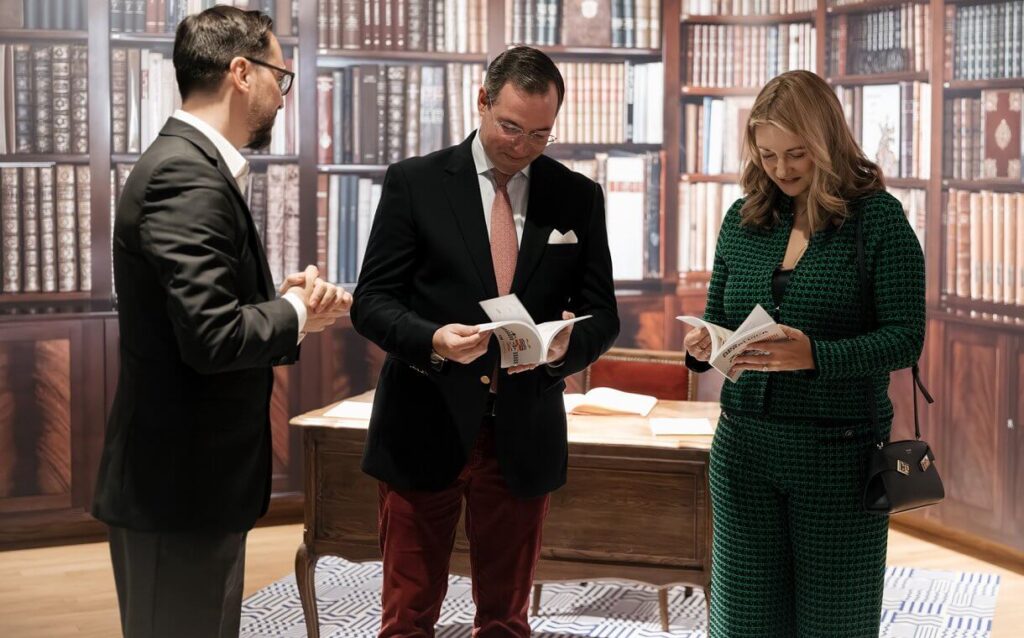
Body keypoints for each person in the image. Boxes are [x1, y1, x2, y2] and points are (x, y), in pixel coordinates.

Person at [91, 7, 351, 637]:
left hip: (189, 486)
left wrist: (282, 303)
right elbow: (211, 337)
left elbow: (204, 310)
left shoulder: (191, 164)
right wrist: (294, 311)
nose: (283, 98)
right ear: (241, 71)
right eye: (280, 78)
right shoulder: (185, 173)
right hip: (176, 491)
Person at [351, 45, 620, 637]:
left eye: (540, 135)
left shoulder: (577, 197)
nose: (522, 146)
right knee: (407, 618)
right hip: (425, 420)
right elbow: (371, 302)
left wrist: (562, 349)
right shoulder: (415, 183)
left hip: (523, 430)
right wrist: (433, 340)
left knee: (505, 621)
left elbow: (604, 315)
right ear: (482, 101)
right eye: (510, 127)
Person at [682, 69, 925, 637]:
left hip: (839, 457)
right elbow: (718, 313)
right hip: (742, 450)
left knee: (833, 623)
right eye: (768, 155)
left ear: (827, 142)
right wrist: (703, 346)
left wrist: (815, 355)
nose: (782, 170)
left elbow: (905, 337)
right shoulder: (742, 220)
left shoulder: (878, 221)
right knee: (743, 622)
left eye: (797, 154)